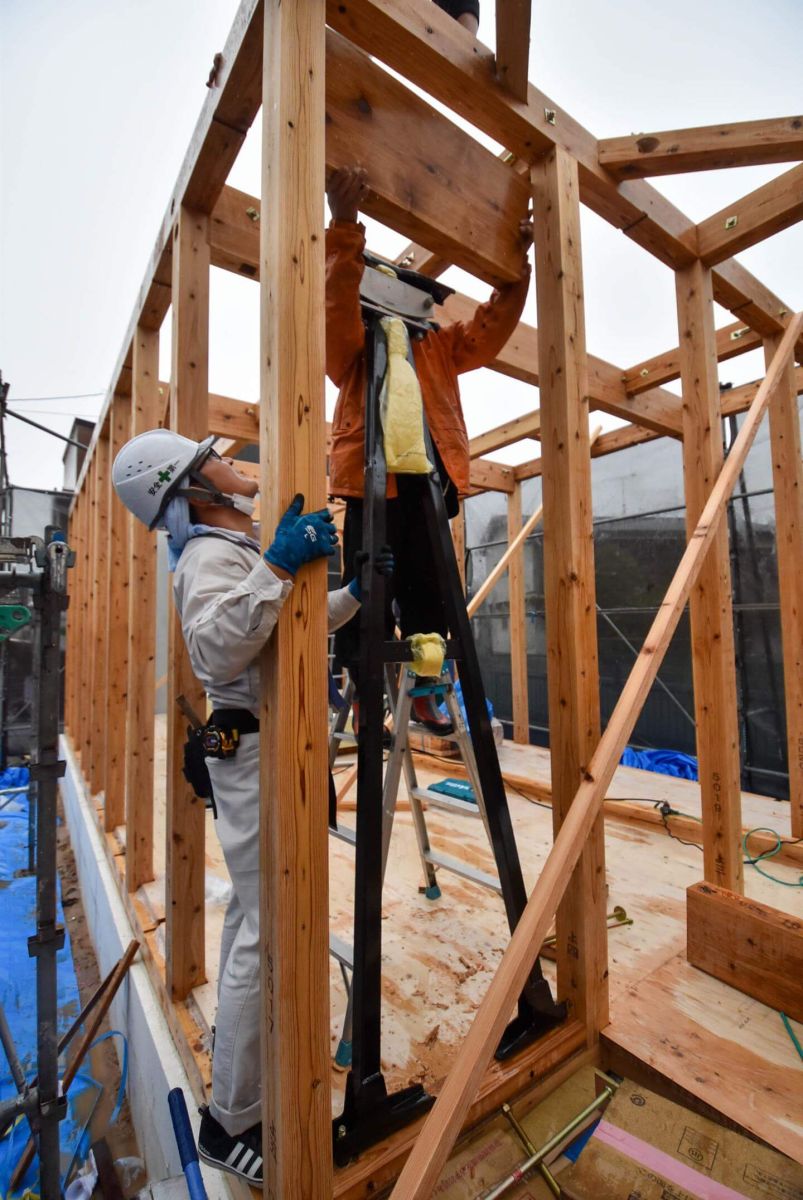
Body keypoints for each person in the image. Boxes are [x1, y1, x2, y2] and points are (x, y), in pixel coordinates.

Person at [112, 430, 359, 1185]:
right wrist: (281, 563)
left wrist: (352, 597)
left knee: (258, 921)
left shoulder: (238, 551)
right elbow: (219, 649)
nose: (233, 463)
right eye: (213, 458)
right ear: (193, 488)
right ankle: (229, 1119)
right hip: (253, 753)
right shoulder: (209, 558)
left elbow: (280, 634)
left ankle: (238, 1069)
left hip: (270, 744)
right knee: (267, 927)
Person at [325, 165, 532, 733]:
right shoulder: (357, 344)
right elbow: (337, 307)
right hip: (373, 482)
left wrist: (516, 275)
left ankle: (423, 691)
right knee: (363, 591)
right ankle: (367, 694)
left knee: (432, 595)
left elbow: (489, 330)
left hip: (425, 484)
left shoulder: (439, 344)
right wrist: (344, 227)